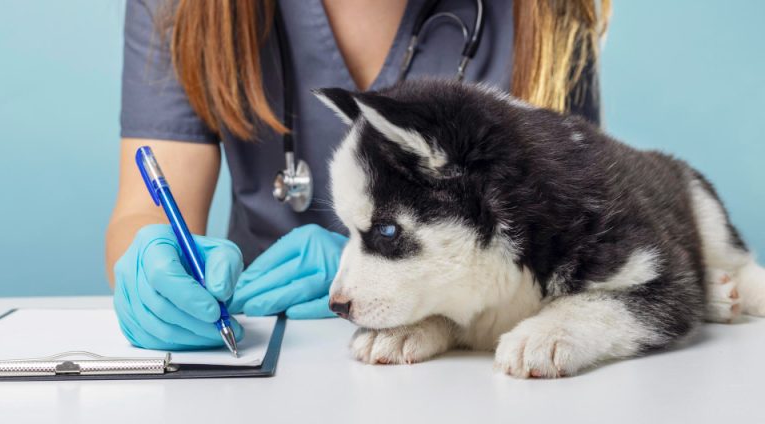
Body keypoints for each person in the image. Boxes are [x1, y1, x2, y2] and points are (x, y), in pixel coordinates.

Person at [106, 0, 611, 350]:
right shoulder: (187, 9)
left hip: (460, 363)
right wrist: (154, 271)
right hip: (262, 338)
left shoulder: (545, 12)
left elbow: (572, 242)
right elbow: (145, 209)